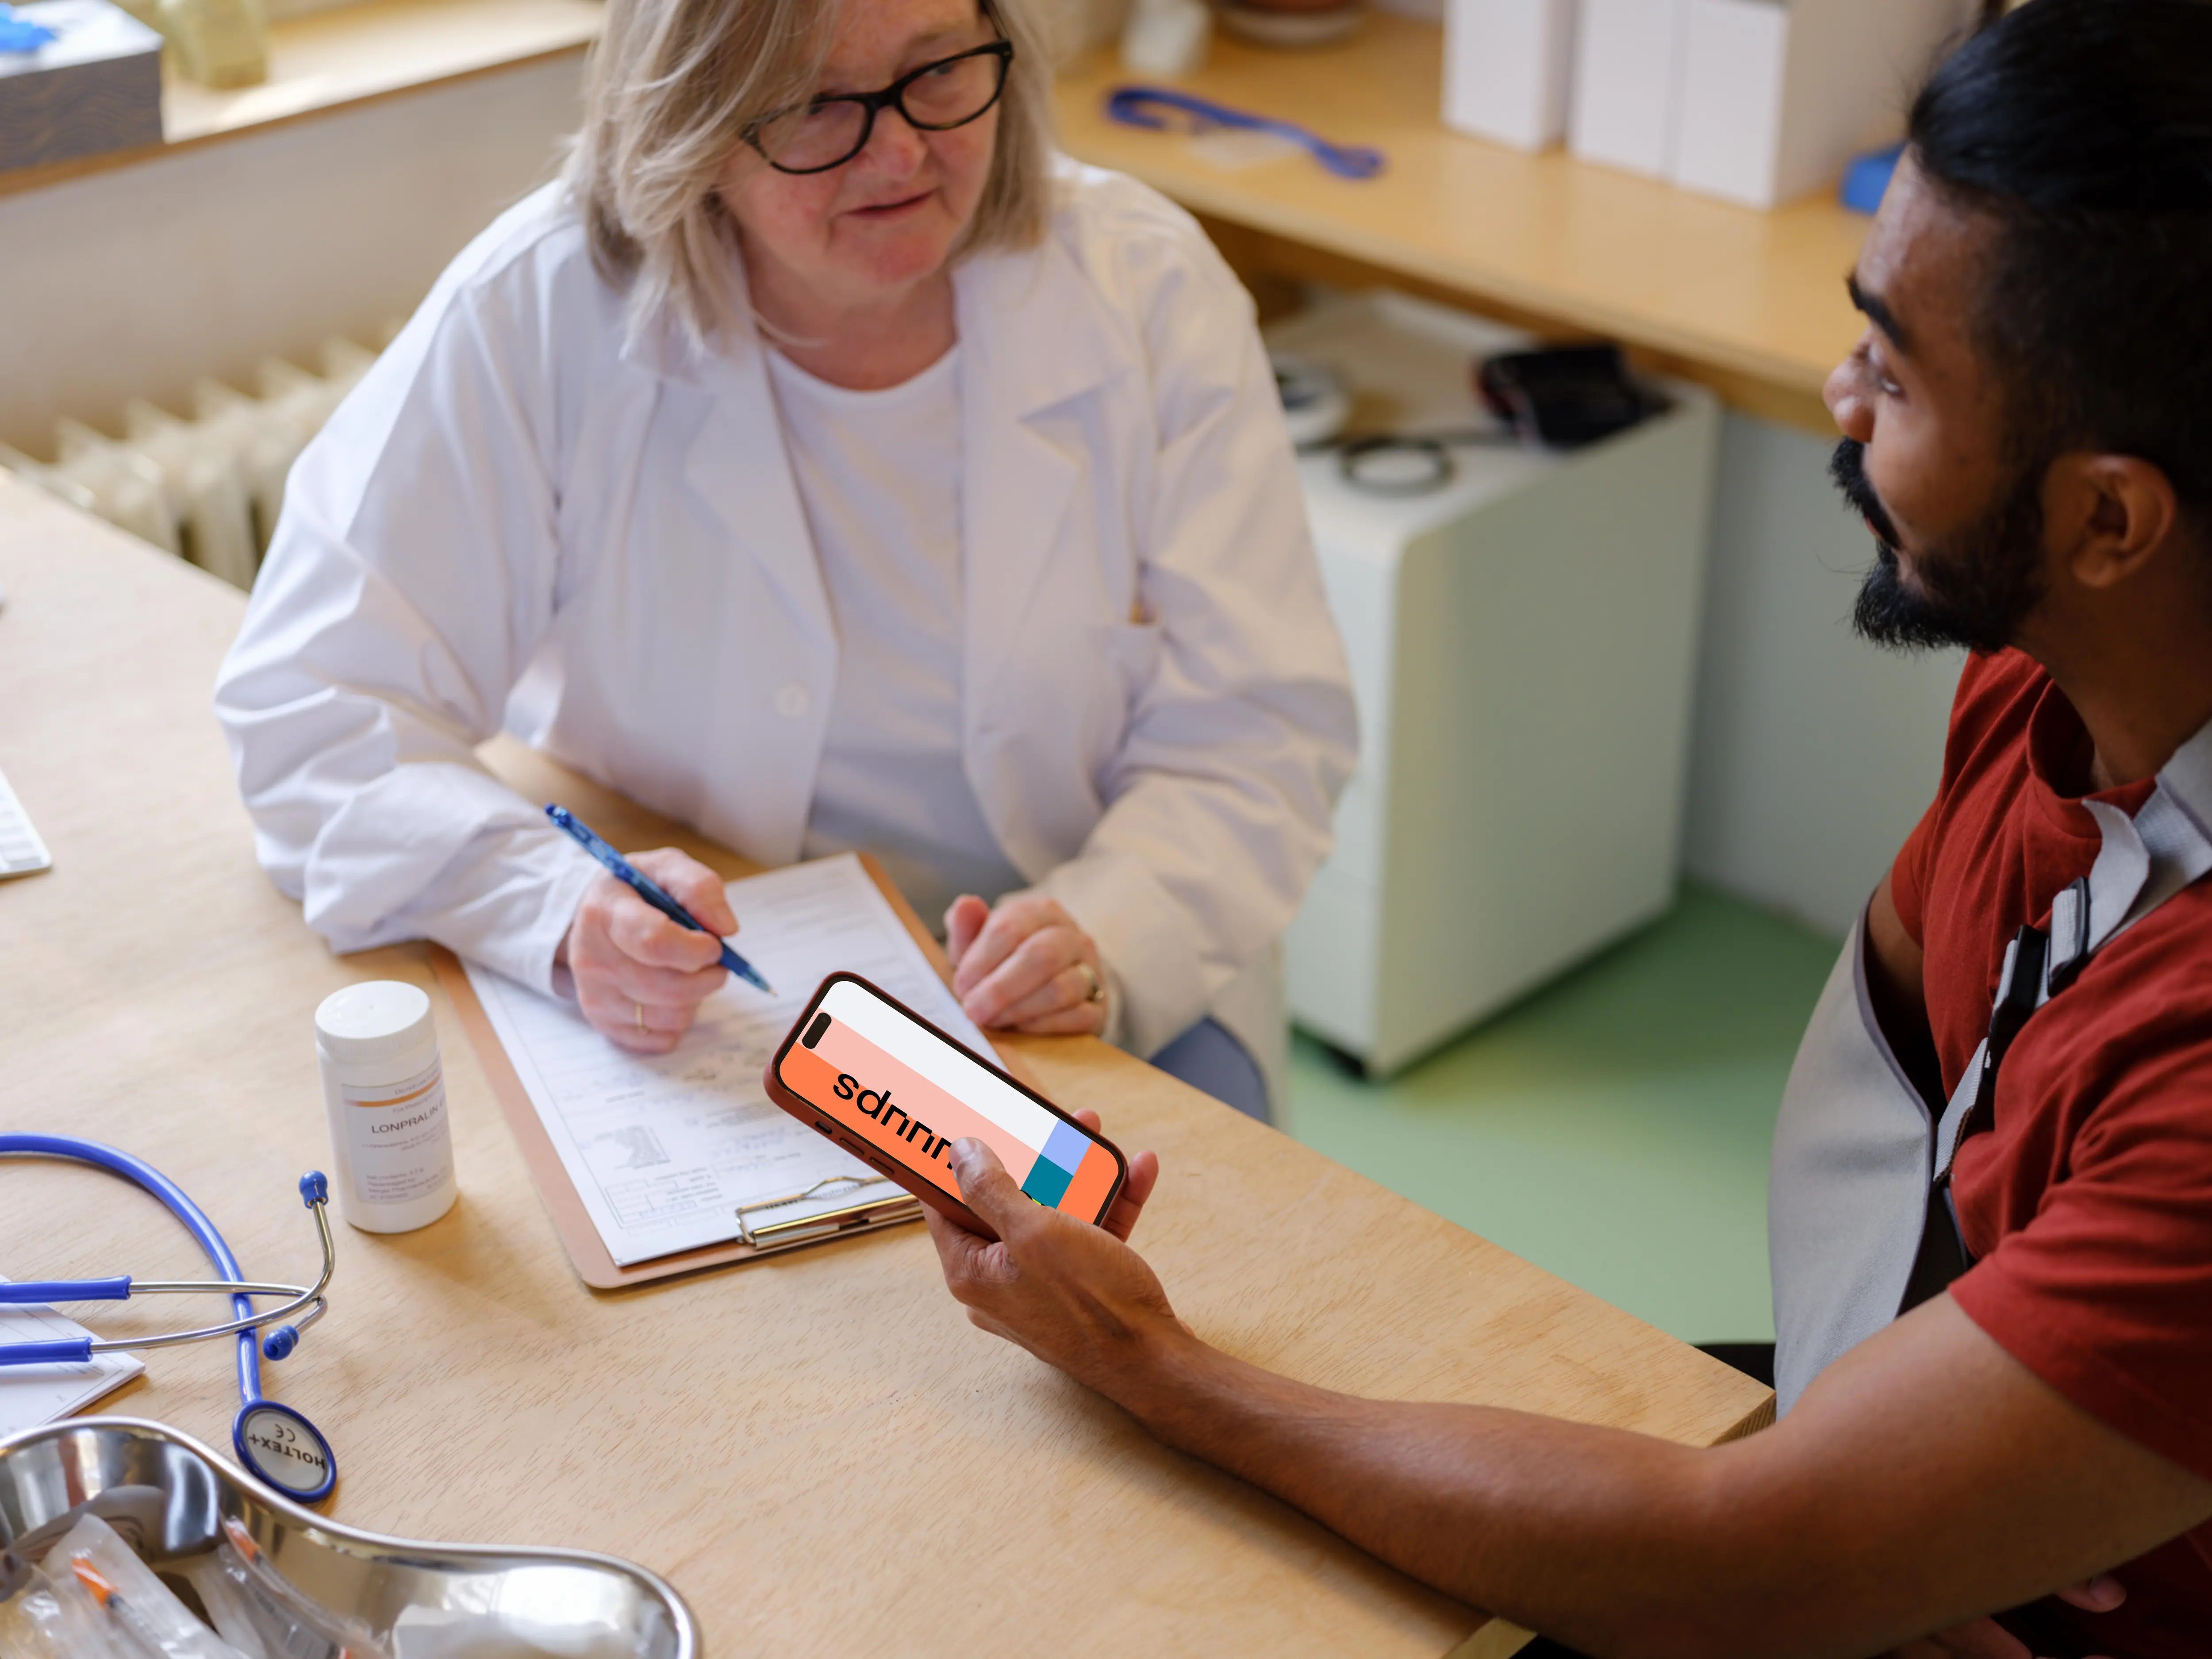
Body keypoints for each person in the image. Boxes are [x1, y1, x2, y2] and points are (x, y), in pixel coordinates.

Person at [925, 3, 2212, 1653]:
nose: (1834, 396)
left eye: (1891, 371)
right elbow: (1905, 1043)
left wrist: (1148, 1364)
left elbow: (1761, 1558)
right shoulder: (2056, 691)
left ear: (2109, 517)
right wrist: (1963, 1418)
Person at [212, 0, 1356, 1122]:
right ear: (691, 122)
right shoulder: (541, 309)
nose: (901, 147)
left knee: (1181, 1280)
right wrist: (557, 907)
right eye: (816, 103)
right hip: (716, 992)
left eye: (940, 69)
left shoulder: (1148, 288)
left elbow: (1261, 725)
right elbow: (310, 705)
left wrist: (1112, 929)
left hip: (1082, 969)